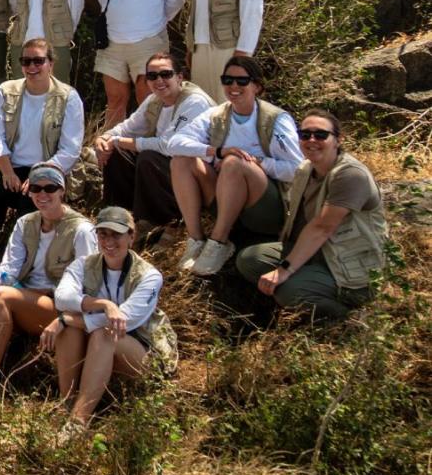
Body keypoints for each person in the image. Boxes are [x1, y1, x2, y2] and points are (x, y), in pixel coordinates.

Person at [0, 163, 96, 407]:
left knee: (1, 297)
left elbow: (88, 284)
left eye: (50, 188)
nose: (42, 194)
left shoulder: (81, 230)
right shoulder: (26, 223)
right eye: (36, 188)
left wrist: (47, 291)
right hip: (22, 296)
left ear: (62, 191)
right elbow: (9, 267)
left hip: (57, 306)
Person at [234, 112, 388, 322]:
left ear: (338, 140)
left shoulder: (350, 175)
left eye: (321, 135)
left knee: (289, 290)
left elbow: (322, 227)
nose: (311, 140)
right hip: (318, 253)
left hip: (349, 268)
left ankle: (350, 320)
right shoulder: (305, 170)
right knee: (250, 259)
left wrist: (284, 270)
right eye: (305, 135)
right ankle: (293, 302)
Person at [167, 54, 304, 276]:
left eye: (242, 81)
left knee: (234, 163)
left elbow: (297, 170)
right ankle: (197, 240)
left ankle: (218, 242)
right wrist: (216, 152)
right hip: (225, 195)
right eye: (227, 80)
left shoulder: (276, 119)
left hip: (265, 205)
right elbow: (174, 143)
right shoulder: (216, 114)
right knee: (181, 161)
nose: (233, 87)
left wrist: (257, 162)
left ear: (257, 86)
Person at [48, 206, 175, 435]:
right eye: (103, 234)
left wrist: (67, 319)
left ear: (131, 236)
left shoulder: (149, 275)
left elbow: (124, 320)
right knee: (73, 327)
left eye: (116, 234)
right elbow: (62, 297)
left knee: (104, 332)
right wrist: (103, 305)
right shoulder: (84, 264)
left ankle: (78, 422)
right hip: (98, 349)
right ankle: (67, 401)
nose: (109, 241)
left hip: (143, 354)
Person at [0, 38, 86, 269]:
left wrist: (40, 174)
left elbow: (70, 149)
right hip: (12, 166)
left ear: (51, 63)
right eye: (26, 61)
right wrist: (6, 171)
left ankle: (16, 263)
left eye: (38, 61)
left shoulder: (68, 97)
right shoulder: (6, 91)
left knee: (31, 203)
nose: (32, 67)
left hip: (49, 167)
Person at [95, 53, 213, 231]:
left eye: (165, 74)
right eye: (152, 76)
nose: (159, 81)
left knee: (149, 157)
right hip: (163, 165)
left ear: (179, 77)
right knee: (118, 152)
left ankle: (157, 222)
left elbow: (169, 145)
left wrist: (118, 140)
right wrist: (105, 138)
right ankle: (118, 215)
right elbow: (129, 127)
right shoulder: (154, 100)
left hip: (192, 172)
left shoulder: (194, 102)